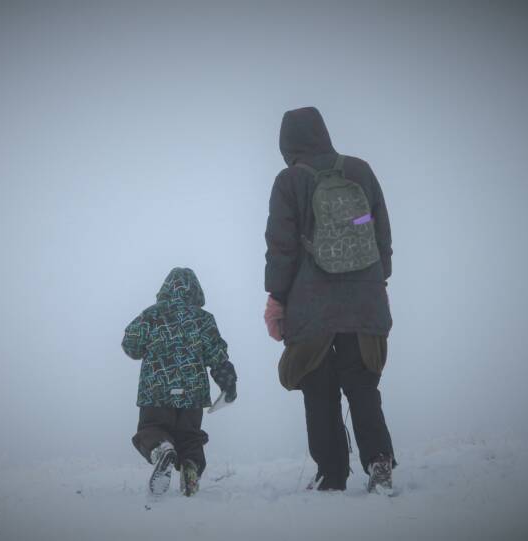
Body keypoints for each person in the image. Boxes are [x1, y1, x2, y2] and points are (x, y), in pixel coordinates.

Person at [264, 107, 396, 494]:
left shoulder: (289, 181)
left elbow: (281, 247)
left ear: (286, 143)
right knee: (362, 386)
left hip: (311, 307)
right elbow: (381, 233)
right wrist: (378, 280)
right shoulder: (360, 171)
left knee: (318, 390)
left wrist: (276, 299)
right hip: (364, 301)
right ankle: (379, 461)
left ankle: (331, 475)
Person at [122, 267, 237, 496]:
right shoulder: (203, 319)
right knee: (190, 437)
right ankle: (191, 468)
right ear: (196, 292)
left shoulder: (151, 315)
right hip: (192, 394)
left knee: (152, 428)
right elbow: (217, 354)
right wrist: (227, 381)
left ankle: (160, 449)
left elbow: (130, 344)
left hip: (156, 391)